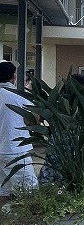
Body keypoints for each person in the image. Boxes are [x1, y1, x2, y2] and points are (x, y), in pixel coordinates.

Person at [0, 61, 38, 202]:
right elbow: (35, 117)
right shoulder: (17, 96)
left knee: (3, 190)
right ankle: (30, 223)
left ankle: (4, 222)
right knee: (30, 191)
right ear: (13, 77)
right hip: (14, 150)